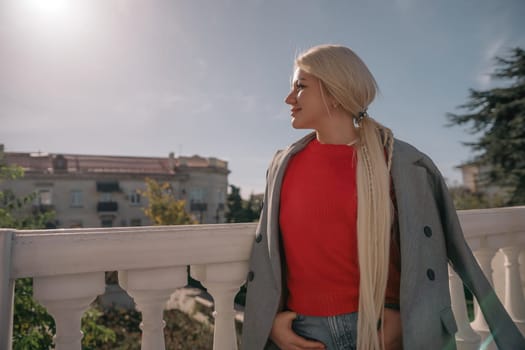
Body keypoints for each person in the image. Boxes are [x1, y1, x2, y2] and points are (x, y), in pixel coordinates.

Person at [241, 44, 524, 350]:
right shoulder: (281, 166)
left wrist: (401, 317)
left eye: (300, 87)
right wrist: (270, 323)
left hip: (382, 332)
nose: (289, 98)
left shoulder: (402, 164)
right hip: (301, 332)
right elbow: (269, 256)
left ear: (334, 93)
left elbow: (428, 252)